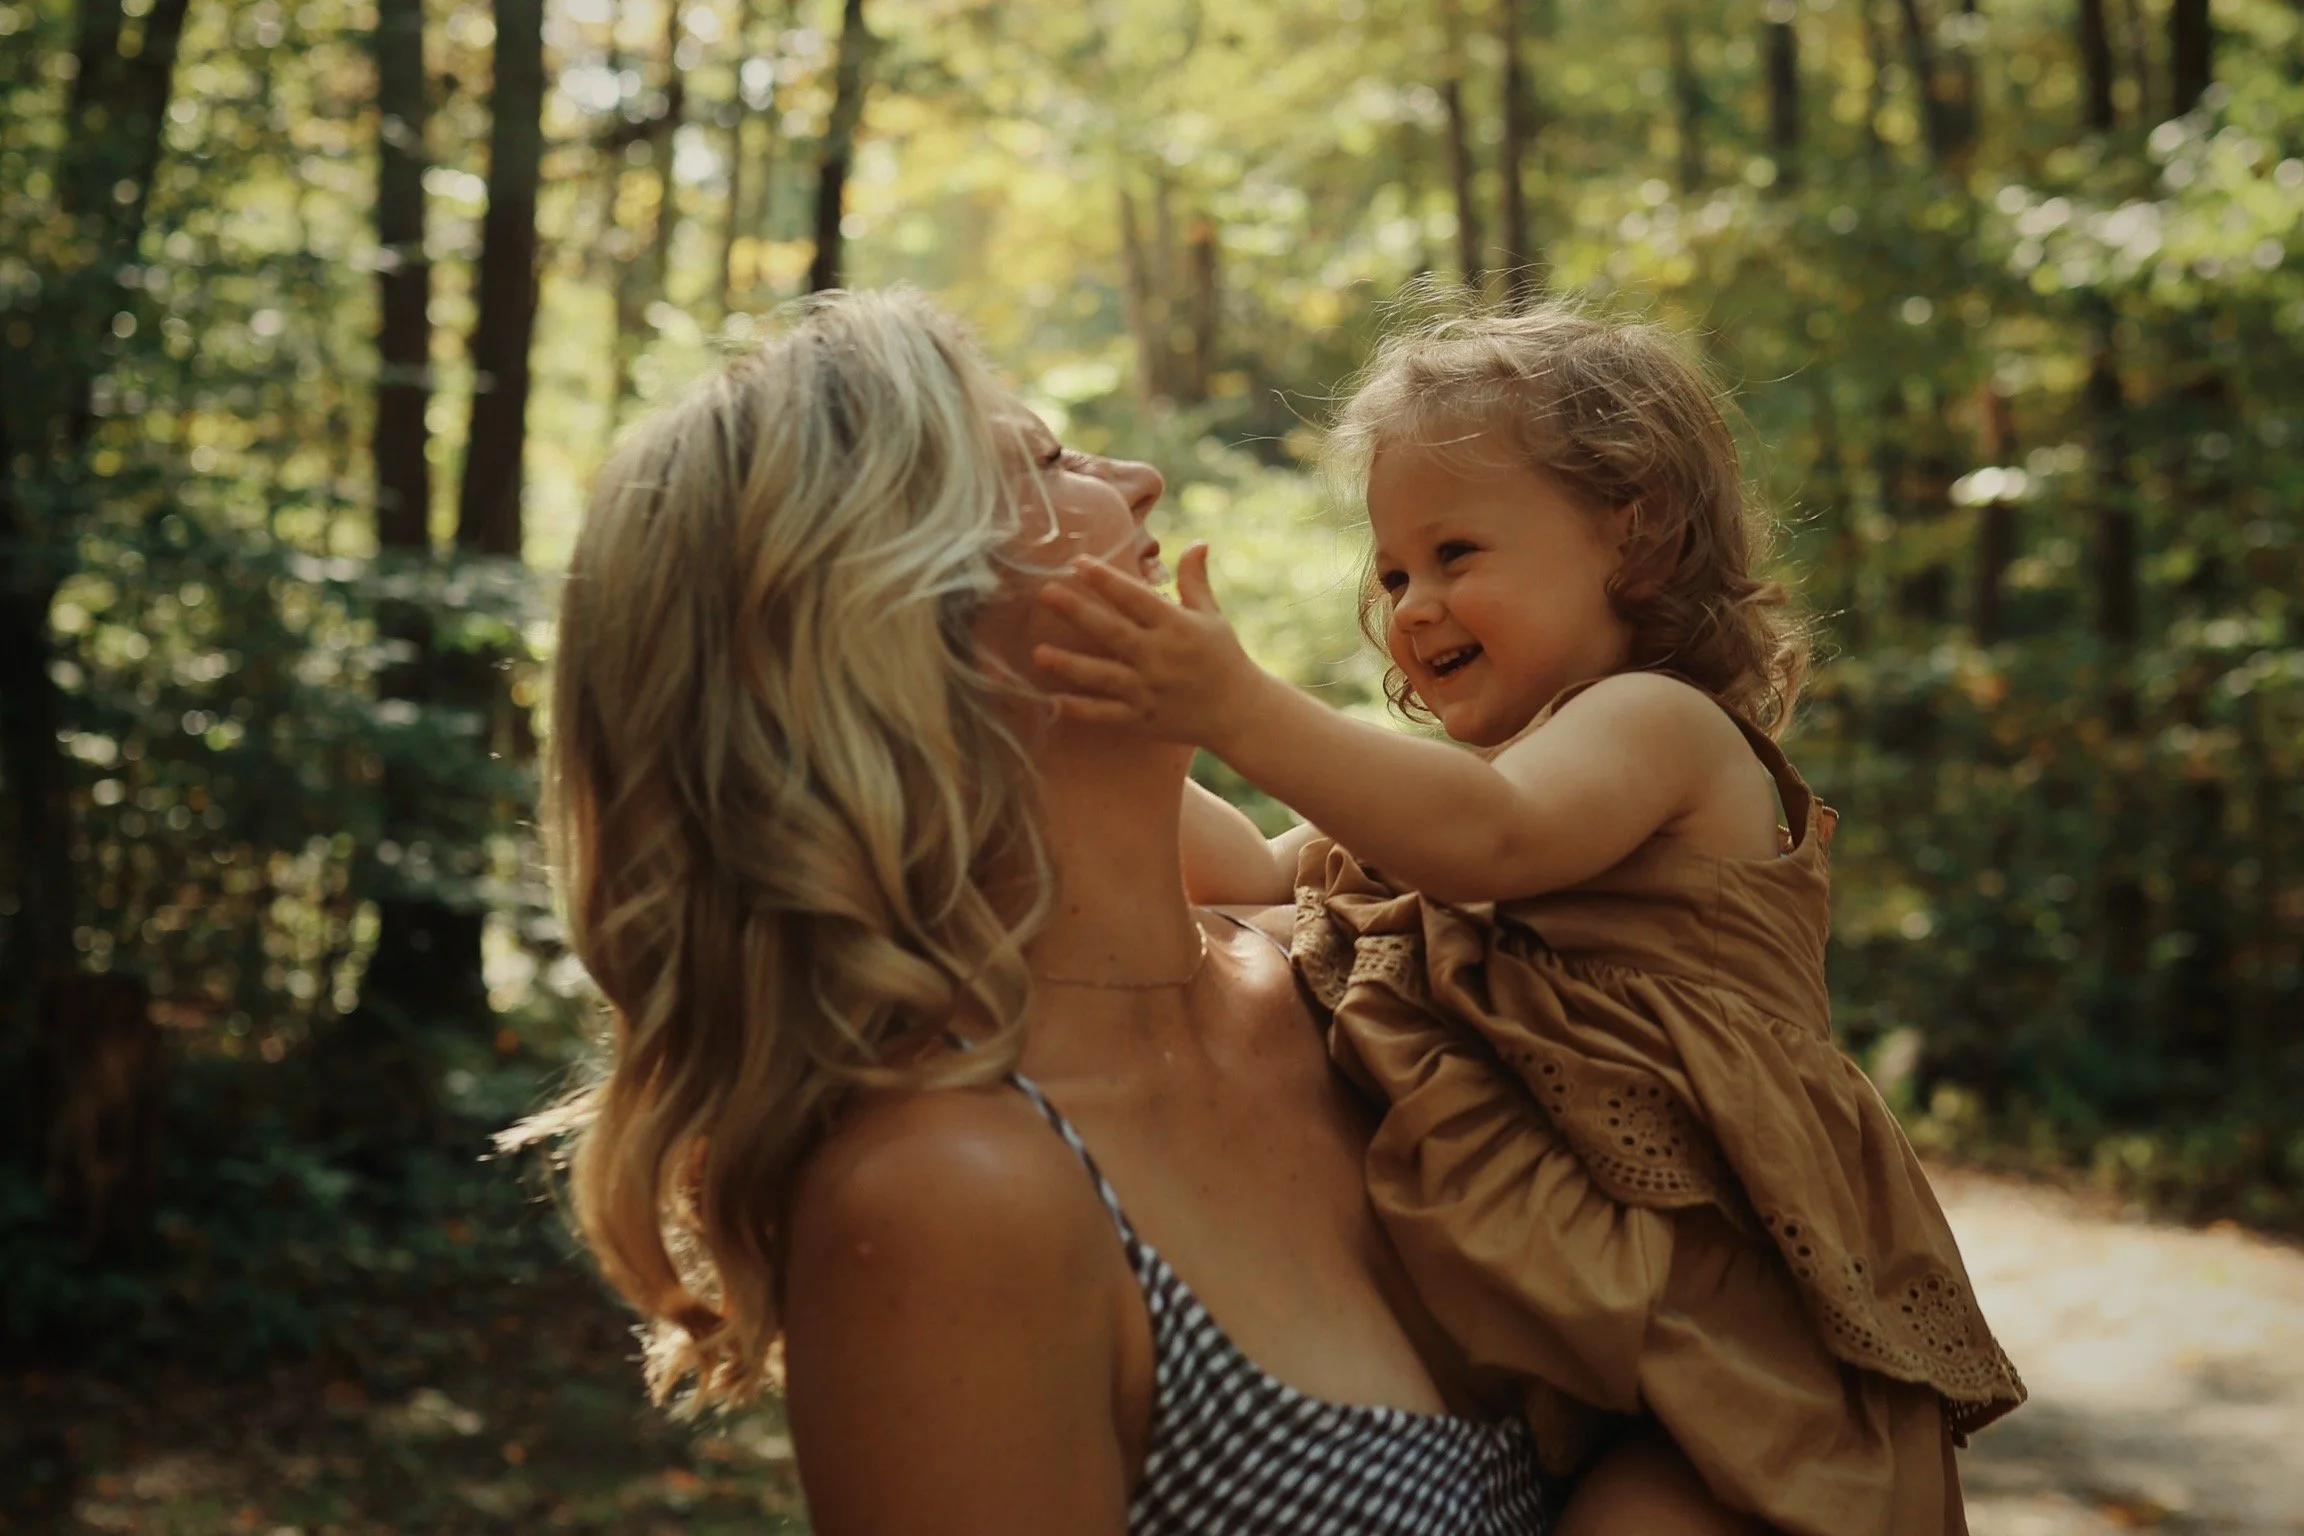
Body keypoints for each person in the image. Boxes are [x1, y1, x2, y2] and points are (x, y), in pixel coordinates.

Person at [511, 289, 1695, 1533]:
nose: (1135, 477)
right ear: (894, 629)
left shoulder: (1363, 975)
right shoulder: (949, 1197)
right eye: (1046, 460)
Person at [1031, 297, 2028, 1536]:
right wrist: (1087, 714)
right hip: (1606, 1329)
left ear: (1636, 538)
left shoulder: (1656, 727)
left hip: (1747, 1338)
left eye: (1458, 555)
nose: (1413, 604)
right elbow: (1245, 875)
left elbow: (1488, 842)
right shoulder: (1449, 791)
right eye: (1394, 570)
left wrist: (1239, 703)